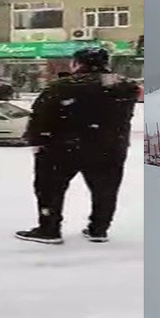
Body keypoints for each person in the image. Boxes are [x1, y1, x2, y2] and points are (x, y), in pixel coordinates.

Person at [15, 47, 140, 245]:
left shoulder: (61, 86)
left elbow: (41, 115)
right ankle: (98, 229)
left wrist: (37, 140)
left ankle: (49, 229)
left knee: (50, 189)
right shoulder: (125, 86)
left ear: (77, 63)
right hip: (109, 148)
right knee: (105, 190)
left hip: (62, 148)